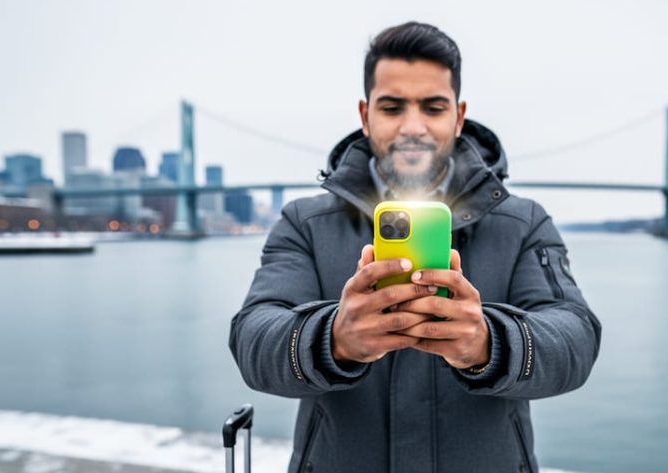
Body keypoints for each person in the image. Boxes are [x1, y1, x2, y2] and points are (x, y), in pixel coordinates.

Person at [229, 21, 602, 473]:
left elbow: (577, 339)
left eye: (432, 106)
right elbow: (252, 337)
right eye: (392, 107)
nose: (412, 126)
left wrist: (491, 342)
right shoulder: (304, 222)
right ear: (365, 116)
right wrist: (333, 339)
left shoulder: (522, 222)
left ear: (458, 116)